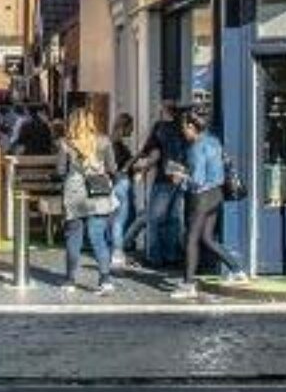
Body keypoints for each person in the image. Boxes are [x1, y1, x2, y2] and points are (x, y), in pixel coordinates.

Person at [169, 109, 247, 299]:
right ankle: (237, 270)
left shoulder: (196, 147)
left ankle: (188, 285)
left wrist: (179, 178)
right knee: (207, 238)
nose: (183, 132)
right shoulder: (213, 140)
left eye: (183, 127)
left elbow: (197, 180)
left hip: (202, 197)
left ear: (191, 126)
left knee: (191, 239)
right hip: (217, 195)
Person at [57, 107, 118, 294]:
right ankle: (105, 279)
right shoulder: (104, 141)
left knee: (74, 237)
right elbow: (112, 168)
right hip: (98, 193)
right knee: (98, 237)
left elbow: (60, 171)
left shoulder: (65, 143)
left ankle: (70, 280)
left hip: (75, 194)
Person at [132, 100, 188, 268]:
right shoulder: (183, 128)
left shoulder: (160, 127)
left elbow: (154, 153)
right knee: (173, 218)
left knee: (154, 218)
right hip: (180, 177)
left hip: (164, 178)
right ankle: (172, 255)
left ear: (164, 111)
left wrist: (142, 168)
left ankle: (154, 256)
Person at [108, 112, 137, 268]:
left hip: (116, 183)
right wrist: (132, 162)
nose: (132, 130)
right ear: (124, 126)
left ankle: (117, 251)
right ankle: (117, 252)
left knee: (117, 220)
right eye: (130, 127)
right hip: (121, 183)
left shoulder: (112, 141)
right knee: (120, 220)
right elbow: (118, 167)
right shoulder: (116, 144)